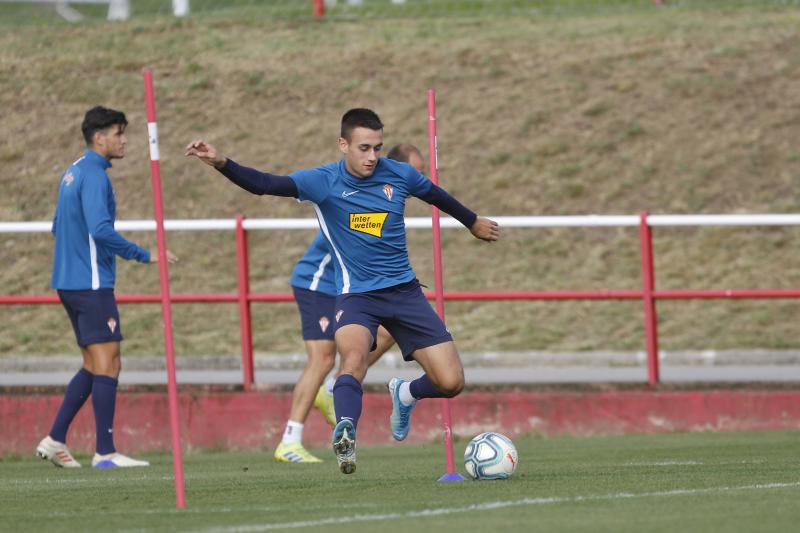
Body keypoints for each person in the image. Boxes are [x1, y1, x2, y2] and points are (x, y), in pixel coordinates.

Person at [186, 108, 499, 474]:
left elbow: (436, 195)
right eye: (364, 148)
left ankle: (405, 393)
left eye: (377, 148)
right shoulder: (323, 181)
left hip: (405, 293)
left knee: (451, 382)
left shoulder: (399, 174)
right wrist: (222, 162)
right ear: (343, 145)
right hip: (357, 297)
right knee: (352, 359)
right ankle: (346, 431)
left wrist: (472, 221)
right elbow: (265, 184)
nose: (372, 156)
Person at [36, 106, 177, 469]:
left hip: (68, 282)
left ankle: (55, 439)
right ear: (99, 138)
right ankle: (105, 452)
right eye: (118, 133)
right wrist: (144, 254)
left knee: (93, 363)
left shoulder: (72, 172)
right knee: (110, 362)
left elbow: (56, 226)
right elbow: (100, 230)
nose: (124, 140)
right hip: (90, 283)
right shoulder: (96, 177)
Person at [274, 144, 425, 463]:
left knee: (388, 331)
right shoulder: (363, 198)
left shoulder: (388, 200)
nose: (420, 180)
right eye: (416, 172)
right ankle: (289, 440)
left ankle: (333, 388)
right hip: (318, 283)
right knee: (322, 359)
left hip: (349, 289)